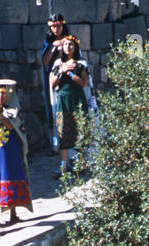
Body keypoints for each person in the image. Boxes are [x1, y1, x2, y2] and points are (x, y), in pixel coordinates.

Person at [0, 80, 31, 226]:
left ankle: (13, 213)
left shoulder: (13, 108)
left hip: (10, 148)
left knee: (10, 176)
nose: (1, 96)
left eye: (3, 93)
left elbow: (12, 126)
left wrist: (1, 113)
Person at [49, 35, 92, 175]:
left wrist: (72, 74)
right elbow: (53, 84)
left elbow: (84, 82)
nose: (69, 47)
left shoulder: (80, 64)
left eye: (71, 44)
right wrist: (61, 72)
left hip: (77, 100)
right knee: (63, 132)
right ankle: (63, 166)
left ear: (75, 47)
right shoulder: (58, 65)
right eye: (66, 44)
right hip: (63, 101)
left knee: (80, 130)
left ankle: (80, 164)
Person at [40, 14, 68, 151]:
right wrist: (53, 48)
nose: (56, 29)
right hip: (52, 79)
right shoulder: (48, 43)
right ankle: (55, 143)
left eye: (58, 26)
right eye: (53, 27)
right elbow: (44, 61)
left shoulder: (69, 40)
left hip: (68, 78)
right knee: (52, 109)